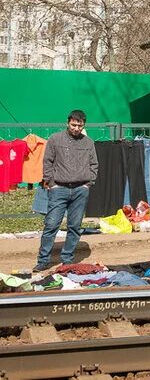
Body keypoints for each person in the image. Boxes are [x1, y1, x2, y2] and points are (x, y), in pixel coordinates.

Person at [34, 110, 98, 272]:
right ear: (67, 123)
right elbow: (47, 161)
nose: (76, 128)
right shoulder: (55, 139)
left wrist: (88, 183)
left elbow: (94, 164)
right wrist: (51, 183)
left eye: (79, 125)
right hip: (59, 189)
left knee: (75, 226)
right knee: (51, 224)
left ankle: (67, 259)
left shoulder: (88, 142)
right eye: (73, 125)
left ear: (84, 125)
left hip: (80, 190)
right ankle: (43, 260)